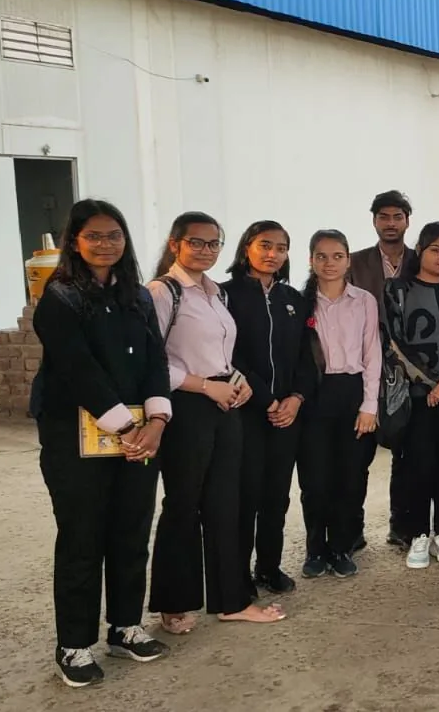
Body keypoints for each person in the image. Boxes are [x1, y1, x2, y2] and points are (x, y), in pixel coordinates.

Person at [34, 199, 173, 687]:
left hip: (139, 436)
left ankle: (124, 627)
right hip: (76, 437)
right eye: (94, 235)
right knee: (83, 537)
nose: (106, 244)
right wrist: (127, 426)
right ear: (75, 240)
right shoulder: (61, 298)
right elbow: (77, 371)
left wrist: (156, 420)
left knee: (132, 529)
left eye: (115, 235)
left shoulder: (136, 296)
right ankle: (73, 645)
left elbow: (157, 359)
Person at [149, 212, 286, 634]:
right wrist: (206, 387)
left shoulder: (215, 294)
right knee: (184, 506)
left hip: (227, 405)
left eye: (213, 244)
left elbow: (224, 354)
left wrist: (238, 382)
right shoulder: (162, 292)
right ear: (175, 245)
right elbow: (153, 365)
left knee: (227, 505)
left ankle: (232, 600)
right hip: (188, 407)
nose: (206, 250)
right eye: (197, 242)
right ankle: (173, 603)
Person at [221, 221, 315, 598]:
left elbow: (307, 358)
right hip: (244, 411)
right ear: (247, 248)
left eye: (280, 247)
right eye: (265, 245)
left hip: (287, 414)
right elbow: (228, 356)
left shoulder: (293, 299)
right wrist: (267, 399)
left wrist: (295, 399)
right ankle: (238, 573)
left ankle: (269, 567)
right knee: (246, 494)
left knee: (277, 495)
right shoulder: (224, 296)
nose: (272, 253)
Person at [381, 222, 439, 569]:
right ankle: (419, 533)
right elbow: (393, 343)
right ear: (420, 249)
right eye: (436, 250)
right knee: (418, 464)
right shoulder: (397, 290)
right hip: (415, 395)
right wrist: (429, 383)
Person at [296, 229, 380, 579]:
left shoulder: (364, 300)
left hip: (353, 393)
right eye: (321, 256)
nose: (329, 263)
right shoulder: (300, 302)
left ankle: (342, 546)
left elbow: (372, 352)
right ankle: (316, 549)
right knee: (315, 479)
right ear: (311, 260)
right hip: (312, 394)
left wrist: (369, 405)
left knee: (350, 476)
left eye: (337, 256)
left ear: (348, 260)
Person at [348, 189, 414, 549]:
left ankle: (400, 525)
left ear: (407, 220)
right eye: (384, 217)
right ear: (374, 220)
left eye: (397, 217)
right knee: (359, 455)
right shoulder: (354, 262)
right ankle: (353, 529)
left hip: (410, 371)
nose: (391, 224)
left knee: (405, 452)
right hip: (362, 367)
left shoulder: (420, 259)